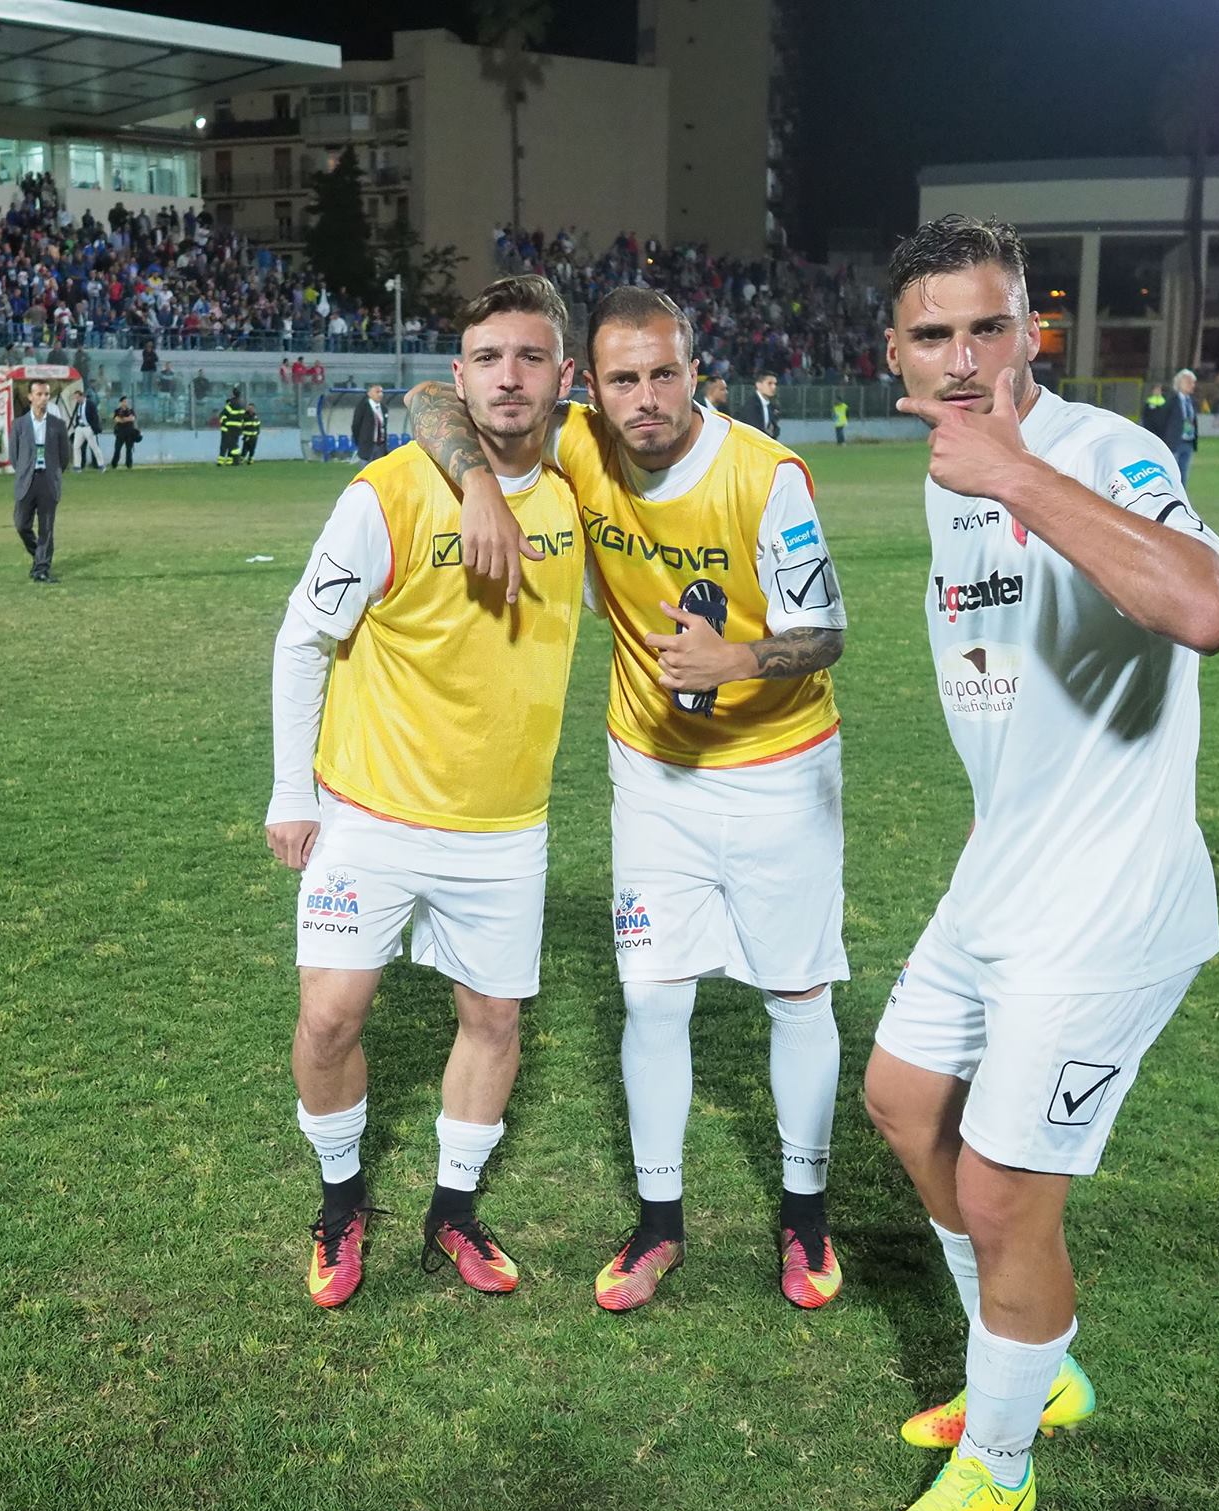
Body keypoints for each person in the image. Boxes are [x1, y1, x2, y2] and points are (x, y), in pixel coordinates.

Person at [867, 215, 1219, 1511]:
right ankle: (1030, 1360)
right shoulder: (945, 469)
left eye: (990, 325)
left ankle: (1004, 1465)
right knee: (906, 1100)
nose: (965, 358)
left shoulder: (1101, 451)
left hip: (1108, 902)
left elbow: (1202, 605)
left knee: (1006, 1185)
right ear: (893, 354)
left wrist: (1021, 476)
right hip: (1002, 879)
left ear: (1034, 328)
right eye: (935, 334)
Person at [413, 285, 852, 1315]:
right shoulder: (580, 446)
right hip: (651, 775)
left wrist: (734, 654)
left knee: (797, 995)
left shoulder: (763, 475)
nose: (646, 398)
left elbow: (824, 629)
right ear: (591, 389)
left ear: (696, 370)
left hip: (781, 765)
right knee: (654, 996)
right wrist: (476, 486)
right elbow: (434, 403)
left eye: (665, 373)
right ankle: (659, 1222)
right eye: (622, 379)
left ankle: (804, 1214)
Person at [267, 275, 585, 1310]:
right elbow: (302, 636)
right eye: (486, 357)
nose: (507, 375)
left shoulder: (586, 477)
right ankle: (341, 1196)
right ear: (456, 376)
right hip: (367, 811)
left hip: (504, 824)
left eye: (529, 357)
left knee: (492, 1018)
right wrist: (291, 789)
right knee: (327, 1017)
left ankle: (453, 1206)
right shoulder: (386, 492)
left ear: (563, 378)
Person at [12, 385, 71, 584]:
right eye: (39, 394)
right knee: (21, 524)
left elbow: (64, 457)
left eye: (46, 394)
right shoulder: (19, 425)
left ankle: (42, 569)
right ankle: (39, 555)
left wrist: (53, 473)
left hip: (48, 481)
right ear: (30, 397)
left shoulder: (58, 425)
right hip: (27, 481)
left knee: (46, 528)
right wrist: (25, 471)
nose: (44, 398)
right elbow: (15, 456)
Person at [1145, 368, 1199, 484]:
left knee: (1184, 475)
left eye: (1193, 382)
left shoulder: (1192, 401)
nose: (1192, 385)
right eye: (1189, 382)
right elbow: (1159, 420)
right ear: (1180, 383)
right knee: (1172, 474)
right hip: (1174, 442)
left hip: (1188, 442)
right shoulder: (1171, 401)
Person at [69, 388, 105, 471]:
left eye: (78, 397)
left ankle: (101, 465)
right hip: (80, 428)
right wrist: (76, 425)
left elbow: (95, 416)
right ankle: (77, 466)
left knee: (94, 447)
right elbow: (78, 415)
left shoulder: (90, 404)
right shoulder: (78, 405)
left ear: (82, 396)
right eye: (75, 398)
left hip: (88, 427)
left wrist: (94, 428)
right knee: (76, 446)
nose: (77, 400)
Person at [352, 383, 389, 462]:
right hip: (367, 446)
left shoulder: (383, 408)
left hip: (380, 447)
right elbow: (356, 425)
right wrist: (361, 441)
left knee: (380, 472)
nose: (380, 394)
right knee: (367, 472)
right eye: (377, 392)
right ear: (369, 393)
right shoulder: (362, 406)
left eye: (381, 392)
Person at [217, 389, 247, 465]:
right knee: (234, 443)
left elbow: (223, 414)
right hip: (238, 428)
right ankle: (231, 461)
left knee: (229, 445)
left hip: (229, 428)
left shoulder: (231, 403)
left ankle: (235, 460)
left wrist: (223, 423)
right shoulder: (243, 404)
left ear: (233, 394)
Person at [751, 371, 783, 438]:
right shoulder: (751, 405)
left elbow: (775, 429)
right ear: (759, 385)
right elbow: (754, 432)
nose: (774, 387)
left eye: (775, 384)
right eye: (769, 383)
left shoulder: (771, 406)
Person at [111, 396, 139, 468]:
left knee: (129, 449)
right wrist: (126, 419)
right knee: (117, 449)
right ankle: (114, 464)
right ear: (120, 403)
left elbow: (132, 418)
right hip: (120, 432)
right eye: (124, 402)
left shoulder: (130, 410)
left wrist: (123, 419)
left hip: (129, 432)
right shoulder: (117, 411)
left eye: (126, 401)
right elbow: (117, 419)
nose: (125, 403)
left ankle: (129, 464)